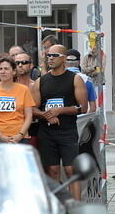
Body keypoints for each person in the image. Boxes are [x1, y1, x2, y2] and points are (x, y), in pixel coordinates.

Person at [31, 44, 88, 200]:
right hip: (47, 132)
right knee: (53, 171)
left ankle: (76, 210)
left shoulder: (75, 79)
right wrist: (46, 115)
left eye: (54, 55)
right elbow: (33, 109)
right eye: (48, 55)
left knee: (71, 171)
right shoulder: (40, 81)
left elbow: (83, 107)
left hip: (68, 131)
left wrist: (61, 110)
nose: (50, 58)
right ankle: (57, 209)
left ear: (64, 59)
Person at [0, 55, 34, 143]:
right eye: (0, 69)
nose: (3, 71)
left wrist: (20, 135)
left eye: (6, 69)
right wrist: (0, 136)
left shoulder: (24, 90)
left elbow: (29, 116)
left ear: (14, 71)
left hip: (20, 137)